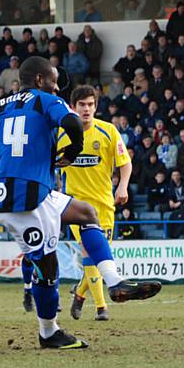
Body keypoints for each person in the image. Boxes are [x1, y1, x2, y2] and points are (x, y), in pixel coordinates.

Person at [0, 56, 161, 350]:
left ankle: (115, 281)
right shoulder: (44, 100)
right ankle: (48, 333)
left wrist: (0, 171)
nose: (57, 90)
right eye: (54, 83)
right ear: (41, 81)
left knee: (86, 212)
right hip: (27, 199)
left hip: (20, 191)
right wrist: (75, 149)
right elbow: (70, 121)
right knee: (48, 266)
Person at [57, 85, 134, 322]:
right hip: (76, 207)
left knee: (100, 258)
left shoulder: (108, 131)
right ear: (73, 107)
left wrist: (122, 186)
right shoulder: (62, 134)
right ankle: (102, 307)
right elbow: (51, 164)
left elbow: (125, 163)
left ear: (96, 106)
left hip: (104, 205)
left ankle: (80, 294)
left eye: (90, 104)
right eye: (82, 105)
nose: (87, 109)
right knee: (89, 252)